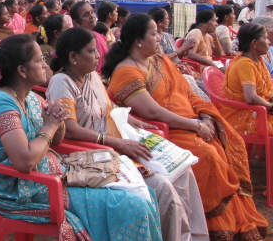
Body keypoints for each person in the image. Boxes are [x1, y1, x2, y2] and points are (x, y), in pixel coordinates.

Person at [0, 34, 162, 240]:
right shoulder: (2, 103)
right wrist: (50, 125)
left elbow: (56, 140)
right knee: (131, 205)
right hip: (24, 190)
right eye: (39, 60)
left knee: (143, 194)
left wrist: (59, 120)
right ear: (22, 70)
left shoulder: (30, 97)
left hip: (51, 176)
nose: (45, 65)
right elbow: (25, 161)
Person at [103, 13, 268, 240]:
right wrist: (195, 125)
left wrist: (206, 117)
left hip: (191, 123)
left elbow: (190, 94)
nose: (160, 38)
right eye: (154, 34)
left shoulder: (160, 61)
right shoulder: (126, 72)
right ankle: (214, 228)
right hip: (165, 133)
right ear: (137, 40)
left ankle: (232, 221)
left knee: (226, 143)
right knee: (208, 155)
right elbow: (152, 112)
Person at [47, 27, 209, 241]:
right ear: (73, 57)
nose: (98, 55)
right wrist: (118, 144)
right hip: (90, 155)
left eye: (97, 50)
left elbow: (109, 108)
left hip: (115, 144)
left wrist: (135, 123)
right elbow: (71, 130)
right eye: (91, 51)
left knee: (183, 172)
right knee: (162, 188)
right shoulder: (62, 82)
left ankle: (192, 237)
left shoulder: (92, 77)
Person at [221, 23, 273, 136]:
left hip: (258, 110)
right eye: (265, 38)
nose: (269, 42)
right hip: (244, 115)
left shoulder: (257, 60)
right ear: (254, 43)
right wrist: (271, 107)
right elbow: (251, 97)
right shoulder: (245, 64)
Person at [71, 1, 108, 73]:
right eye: (86, 15)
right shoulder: (77, 41)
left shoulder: (97, 35)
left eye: (92, 12)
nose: (92, 16)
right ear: (76, 23)